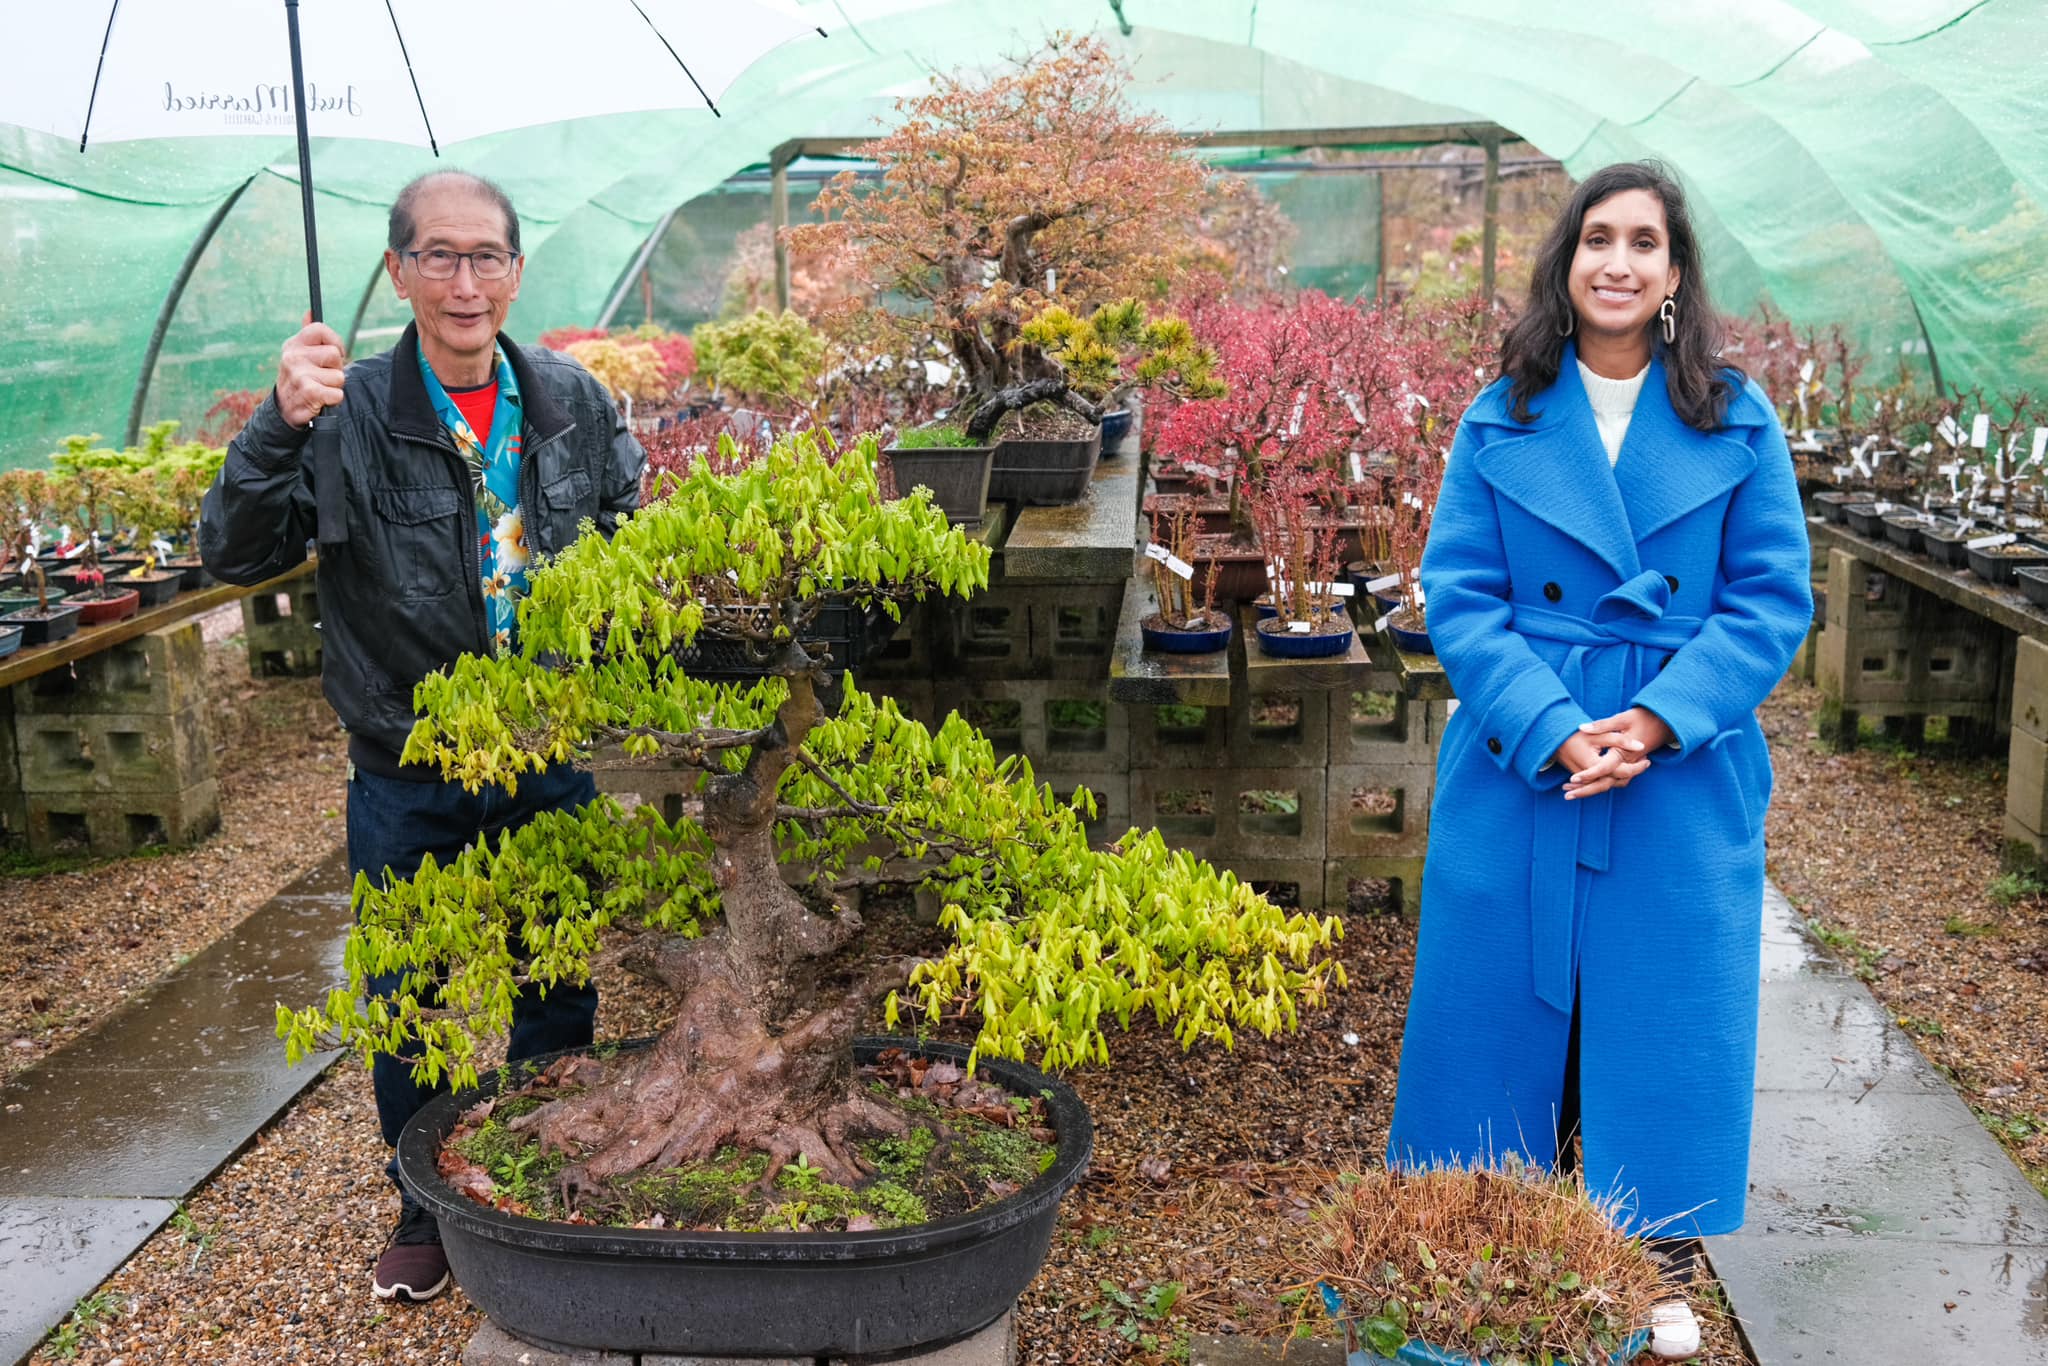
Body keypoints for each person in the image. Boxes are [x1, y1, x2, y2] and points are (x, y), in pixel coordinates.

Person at [1385, 162, 1812, 1359]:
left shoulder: (1733, 416)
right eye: (1595, 240)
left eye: (1643, 243)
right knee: (1506, 1000)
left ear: (1675, 276)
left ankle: (1651, 1256)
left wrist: (1662, 717)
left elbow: (1770, 598)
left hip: (1678, 762)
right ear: (1563, 264)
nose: (1616, 262)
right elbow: (1459, 595)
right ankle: (1482, 1238)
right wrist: (1550, 721)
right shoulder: (1502, 415)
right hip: (1528, 750)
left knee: (1660, 1006)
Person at [201, 169, 645, 1303]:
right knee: (410, 995)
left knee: (555, 978)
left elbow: (633, 531)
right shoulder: (342, 413)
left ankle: (546, 1165)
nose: (464, 281)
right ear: (396, 270)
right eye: (437, 256)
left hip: (547, 748)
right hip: (409, 762)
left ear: (515, 268)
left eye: (485, 255)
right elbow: (233, 557)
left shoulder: (569, 401)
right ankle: (424, 1196)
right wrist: (274, 424)